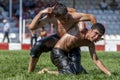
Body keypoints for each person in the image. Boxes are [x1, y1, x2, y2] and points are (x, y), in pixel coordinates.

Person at [28, 3, 97, 74]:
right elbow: (31, 27)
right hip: (58, 39)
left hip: (71, 43)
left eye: (67, 16)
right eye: (63, 18)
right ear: (56, 16)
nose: (66, 19)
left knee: (76, 72)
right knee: (38, 45)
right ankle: (30, 72)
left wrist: (94, 32)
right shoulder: (51, 17)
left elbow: (91, 17)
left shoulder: (73, 16)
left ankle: (48, 72)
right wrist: (41, 12)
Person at [39, 23, 111, 76]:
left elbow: (96, 60)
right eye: (96, 33)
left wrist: (109, 73)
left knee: (81, 73)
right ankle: (46, 71)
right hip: (58, 52)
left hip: (71, 51)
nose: (96, 37)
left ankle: (67, 68)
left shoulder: (90, 43)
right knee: (70, 73)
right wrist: (90, 17)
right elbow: (76, 17)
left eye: (99, 36)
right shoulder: (80, 30)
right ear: (90, 30)